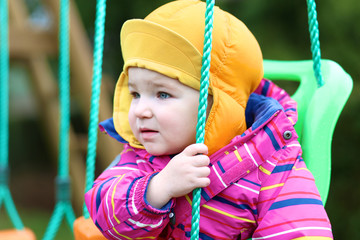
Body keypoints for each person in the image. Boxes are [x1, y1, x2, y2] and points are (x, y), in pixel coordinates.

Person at [84, 0, 333, 239]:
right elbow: (103, 212)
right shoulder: (141, 157)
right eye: (135, 94)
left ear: (219, 104)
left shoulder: (270, 163)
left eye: (162, 94)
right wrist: (158, 188)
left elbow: (300, 230)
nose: (140, 110)